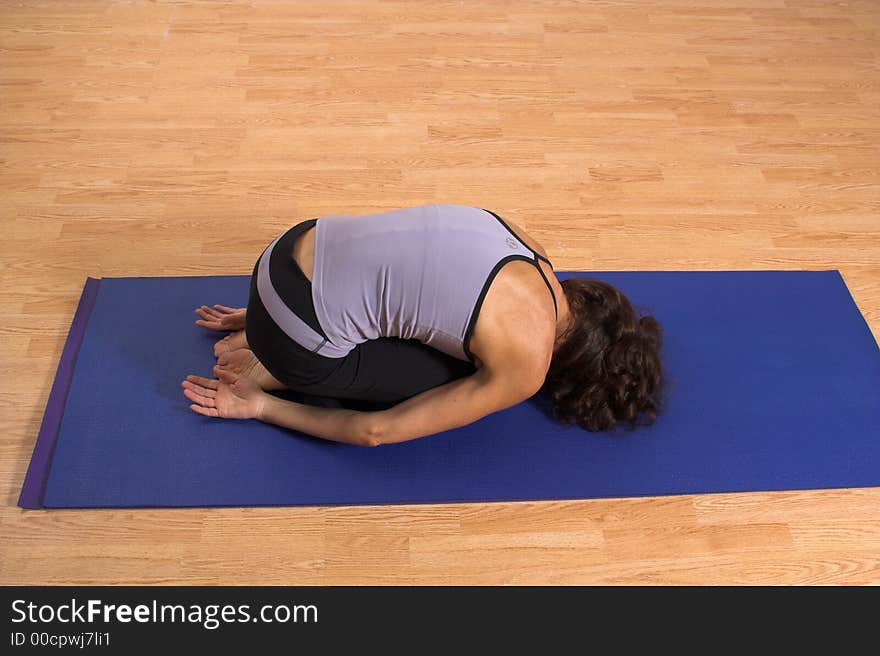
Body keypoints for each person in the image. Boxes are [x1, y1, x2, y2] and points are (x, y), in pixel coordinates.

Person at [181, 204, 664, 446]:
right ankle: (275, 365)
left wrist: (257, 308)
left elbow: (410, 270)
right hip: (292, 327)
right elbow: (376, 432)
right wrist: (261, 408)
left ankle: (269, 332)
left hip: (280, 256)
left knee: (448, 320)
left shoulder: (526, 244)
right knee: (465, 372)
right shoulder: (530, 363)